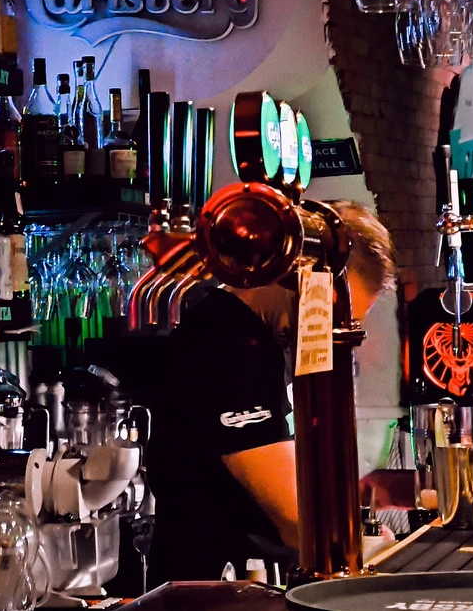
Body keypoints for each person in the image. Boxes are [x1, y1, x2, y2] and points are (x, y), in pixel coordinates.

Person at [145, 200, 397, 586]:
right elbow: (298, 519)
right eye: (334, 312)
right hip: (212, 591)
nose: (333, 332)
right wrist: (370, 548)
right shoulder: (226, 343)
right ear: (304, 278)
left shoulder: (251, 337)